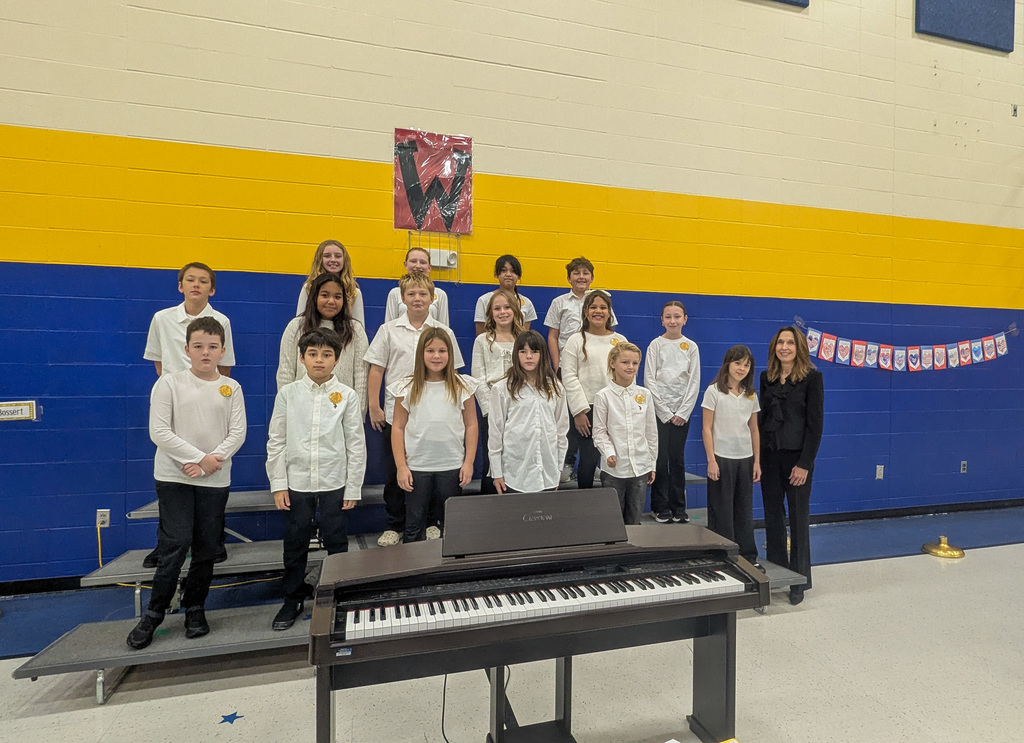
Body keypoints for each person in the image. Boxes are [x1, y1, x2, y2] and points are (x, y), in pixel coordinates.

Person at [127, 317, 246, 650]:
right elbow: (160, 432)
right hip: (174, 477)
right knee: (175, 545)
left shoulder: (231, 388)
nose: (205, 353)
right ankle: (154, 613)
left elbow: (237, 433)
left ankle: (195, 608)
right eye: (198, 346)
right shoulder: (168, 383)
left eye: (212, 347)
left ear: (222, 351)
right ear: (186, 350)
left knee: (206, 548)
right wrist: (196, 458)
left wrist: (210, 462)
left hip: (215, 478)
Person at [267, 328, 366, 630]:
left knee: (336, 540)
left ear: (337, 360)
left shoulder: (347, 396)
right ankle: (293, 598)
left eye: (326, 355)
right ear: (302, 358)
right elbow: (276, 440)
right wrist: (278, 483)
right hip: (297, 482)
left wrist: (353, 486)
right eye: (312, 354)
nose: (319, 360)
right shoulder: (288, 394)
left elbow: (355, 444)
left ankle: (339, 594)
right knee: (295, 541)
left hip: (335, 481)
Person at [141, 261, 236, 568]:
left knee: (211, 475)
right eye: (190, 280)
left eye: (203, 280)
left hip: (208, 401)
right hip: (174, 401)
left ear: (213, 288)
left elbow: (225, 367)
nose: (196, 285)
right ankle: (166, 544)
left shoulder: (221, 320)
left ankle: (213, 541)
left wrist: (206, 389)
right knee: (171, 475)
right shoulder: (162, 318)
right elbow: (158, 363)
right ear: (180, 285)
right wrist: (177, 389)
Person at [365, 273, 464, 546]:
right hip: (396, 414)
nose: (417, 299)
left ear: (433, 299)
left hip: (434, 416)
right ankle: (394, 525)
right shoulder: (389, 330)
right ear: (402, 298)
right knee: (396, 472)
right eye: (411, 294)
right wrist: (373, 405)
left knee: (431, 473)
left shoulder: (444, 333)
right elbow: (376, 369)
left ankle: (433, 522)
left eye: (423, 294)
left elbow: (453, 373)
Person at [391, 328, 477, 542]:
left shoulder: (462, 386)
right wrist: (401, 467)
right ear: (421, 353)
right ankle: (414, 573)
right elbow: (398, 427)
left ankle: (449, 572)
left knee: (451, 526)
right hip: (417, 467)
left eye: (442, 351)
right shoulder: (406, 387)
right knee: (414, 525)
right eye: (430, 351)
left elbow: (472, 424)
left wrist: (468, 462)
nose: (436, 356)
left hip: (452, 466)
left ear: (450, 354)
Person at [758, 326, 824, 605]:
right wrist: (757, 460)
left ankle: (798, 580)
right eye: (780, 343)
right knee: (773, 520)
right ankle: (778, 574)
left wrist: (805, 463)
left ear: (799, 348)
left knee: (798, 520)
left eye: (790, 343)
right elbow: (760, 422)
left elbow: (815, 424)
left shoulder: (812, 378)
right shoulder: (766, 377)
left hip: (797, 459)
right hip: (770, 457)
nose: (784, 347)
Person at [560, 290, 627, 489]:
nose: (598, 311)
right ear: (586, 311)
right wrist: (579, 411)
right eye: (593, 307)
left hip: (614, 406)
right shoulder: (575, 340)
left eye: (603, 307)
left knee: (613, 459)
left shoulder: (620, 339)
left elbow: (626, 373)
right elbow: (569, 377)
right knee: (589, 460)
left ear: (609, 312)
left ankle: (614, 508)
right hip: (587, 408)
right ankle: (585, 506)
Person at [701, 345, 760, 569]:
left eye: (746, 365)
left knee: (744, 509)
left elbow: (754, 429)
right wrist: (711, 460)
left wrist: (757, 461)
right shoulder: (713, 391)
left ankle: (748, 556)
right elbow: (707, 428)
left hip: (745, 458)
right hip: (721, 458)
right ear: (727, 364)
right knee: (721, 509)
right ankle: (723, 556)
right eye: (738, 363)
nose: (742, 368)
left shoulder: (751, 394)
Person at [489, 330, 570, 494]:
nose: (529, 357)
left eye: (534, 351)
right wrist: (496, 472)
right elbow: (496, 433)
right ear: (516, 355)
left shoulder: (556, 388)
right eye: (523, 351)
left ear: (542, 355)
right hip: (514, 474)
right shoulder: (502, 388)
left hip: (548, 472)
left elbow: (561, 431)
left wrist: (558, 468)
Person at [277, 272, 368, 416]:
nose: (331, 301)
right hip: (301, 409)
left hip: (341, 410)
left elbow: (361, 375)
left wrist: (358, 414)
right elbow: (285, 371)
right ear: (314, 297)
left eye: (337, 297)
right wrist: (286, 410)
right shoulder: (296, 327)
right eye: (325, 295)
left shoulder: (355, 330)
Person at [644, 301, 700, 524]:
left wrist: (683, 412)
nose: (673, 321)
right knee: (660, 460)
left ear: (685, 319)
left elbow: (693, 381)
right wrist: (664, 412)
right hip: (659, 413)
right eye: (668, 316)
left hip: (681, 414)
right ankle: (660, 507)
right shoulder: (655, 345)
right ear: (662, 320)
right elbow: (649, 379)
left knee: (677, 460)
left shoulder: (691, 347)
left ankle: (679, 507)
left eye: (677, 316)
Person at [593, 342, 658, 524]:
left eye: (635, 363)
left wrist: (652, 463)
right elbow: (598, 432)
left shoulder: (645, 395)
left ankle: (635, 550)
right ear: (613, 363)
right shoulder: (603, 396)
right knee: (613, 520)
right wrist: (609, 453)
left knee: (634, 519)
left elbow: (651, 432)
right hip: (614, 469)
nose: (630, 367)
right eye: (625, 362)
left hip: (640, 467)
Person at [471, 289, 523, 494]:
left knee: (516, 459)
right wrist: (489, 409)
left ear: (515, 310)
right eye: (497, 308)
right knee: (492, 463)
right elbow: (478, 378)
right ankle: (489, 512)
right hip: (492, 411)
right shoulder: (482, 341)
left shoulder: (524, 339)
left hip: (519, 410)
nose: (502, 312)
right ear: (491, 313)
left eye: (507, 307)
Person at [296, 239, 365, 326]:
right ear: (320, 259)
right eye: (327, 256)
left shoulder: (353, 292)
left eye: (338, 256)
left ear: (344, 260)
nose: (333, 260)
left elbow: (359, 326)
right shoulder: (308, 288)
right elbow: (300, 322)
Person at [385, 247, 450, 325]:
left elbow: (443, 328)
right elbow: (389, 326)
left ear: (429, 267)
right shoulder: (395, 293)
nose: (418, 266)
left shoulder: (440, 294)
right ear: (405, 264)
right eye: (413, 261)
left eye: (423, 262)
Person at [473, 254, 537, 335]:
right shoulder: (484, 300)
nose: (508, 274)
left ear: (519, 276)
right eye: (503, 270)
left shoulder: (527, 303)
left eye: (513, 271)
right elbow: (480, 335)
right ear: (496, 274)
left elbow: (524, 335)